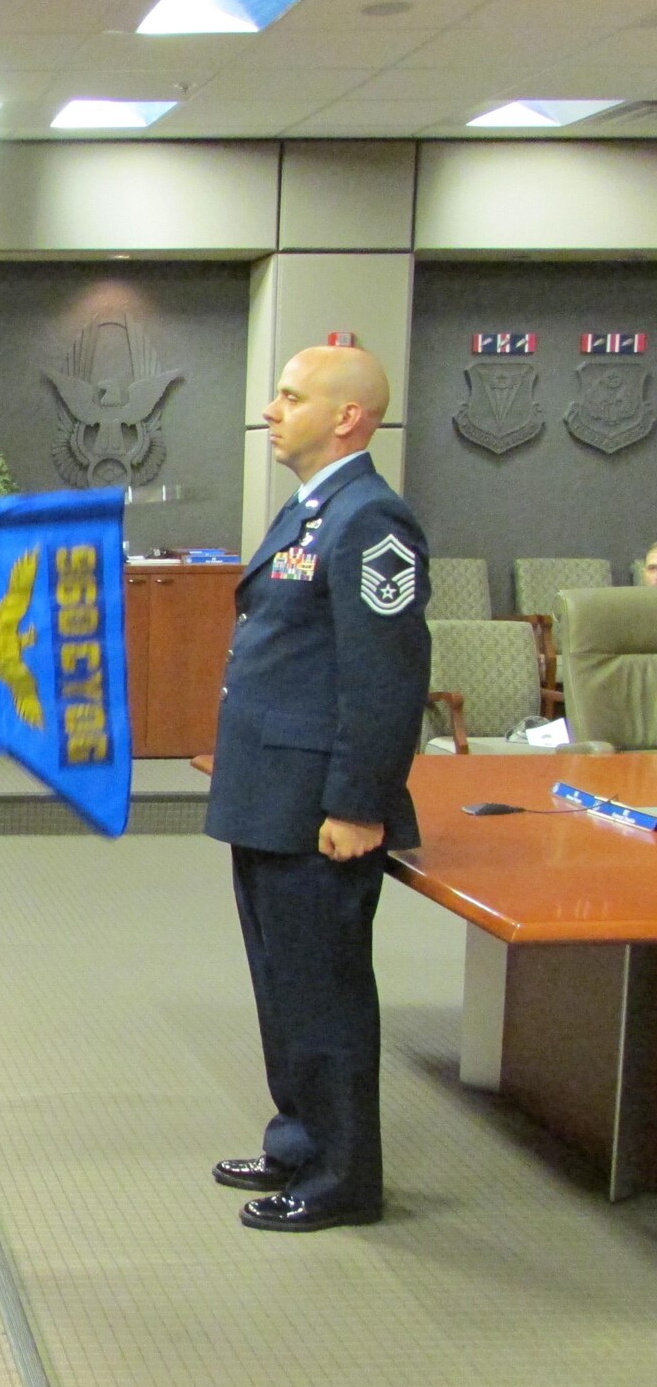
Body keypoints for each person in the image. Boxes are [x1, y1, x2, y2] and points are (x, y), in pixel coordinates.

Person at [206, 344, 430, 1232]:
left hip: (320, 809)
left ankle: (343, 1176)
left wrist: (358, 802)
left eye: (292, 398)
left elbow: (385, 680)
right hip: (272, 793)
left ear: (348, 417)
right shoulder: (311, 514)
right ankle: (298, 1140)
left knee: (325, 993)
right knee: (282, 983)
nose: (272, 409)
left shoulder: (371, 521)